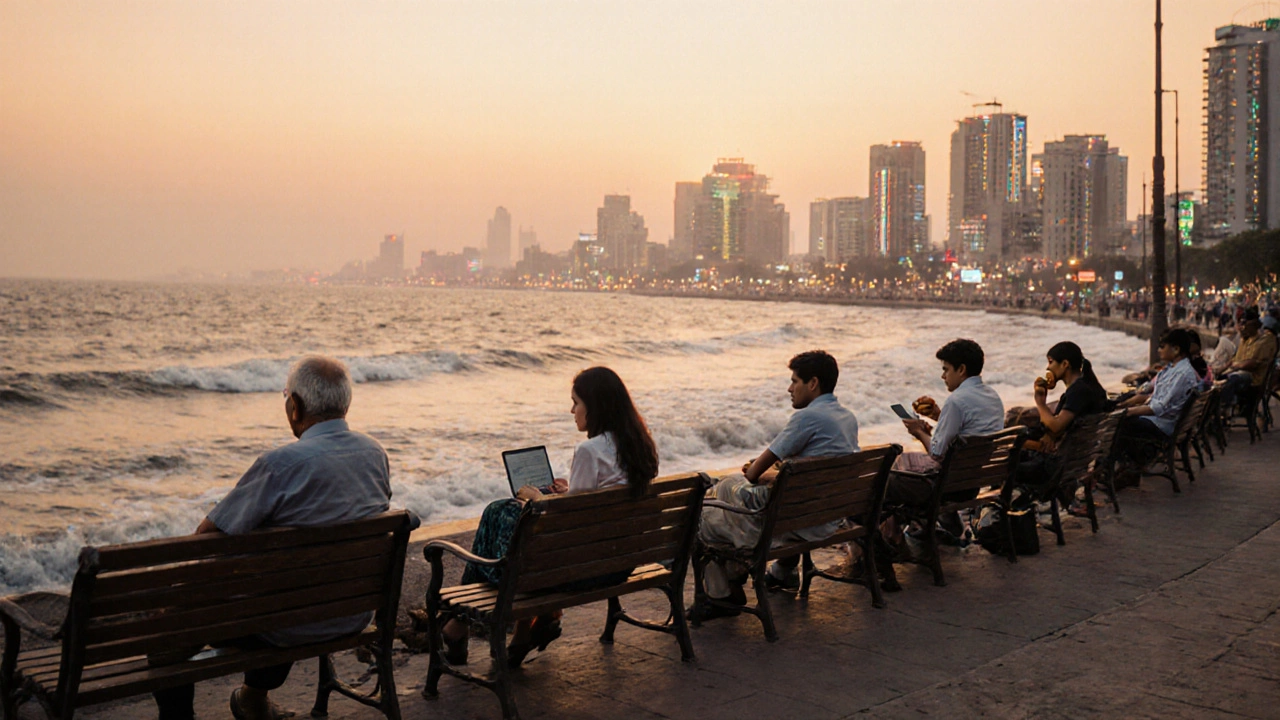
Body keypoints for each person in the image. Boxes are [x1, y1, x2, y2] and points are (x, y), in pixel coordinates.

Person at [153, 355, 394, 720]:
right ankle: (252, 701)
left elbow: (207, 536)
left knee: (164, 632)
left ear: (294, 406)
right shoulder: (375, 454)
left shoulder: (279, 465)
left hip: (288, 623)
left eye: (286, 396)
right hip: (350, 614)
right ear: (346, 404)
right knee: (281, 590)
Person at [440, 366, 659, 667]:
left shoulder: (589, 450)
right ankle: (498, 629)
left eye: (576, 402)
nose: (572, 410)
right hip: (618, 563)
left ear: (594, 406)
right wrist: (567, 495)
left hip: (580, 572)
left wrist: (538, 498)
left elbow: (569, 526)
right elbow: (587, 508)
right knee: (503, 513)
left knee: (499, 512)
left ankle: (457, 625)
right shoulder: (640, 445)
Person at [693, 350, 859, 619]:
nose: (789, 388)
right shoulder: (847, 417)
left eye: (795, 381)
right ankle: (765, 574)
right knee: (723, 496)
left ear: (813, 383)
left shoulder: (807, 418)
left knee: (703, 515)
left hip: (793, 525)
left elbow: (755, 472)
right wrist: (779, 473)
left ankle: (721, 594)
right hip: (824, 517)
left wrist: (765, 472)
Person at [883, 339, 1005, 508]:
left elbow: (937, 453)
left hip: (946, 486)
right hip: (972, 481)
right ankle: (931, 526)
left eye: (946, 370)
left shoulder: (956, 401)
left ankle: (890, 531)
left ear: (961, 369)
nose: (943, 376)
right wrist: (939, 417)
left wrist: (918, 432)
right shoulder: (992, 396)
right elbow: (971, 428)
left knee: (886, 477)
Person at [1015, 342, 1108, 503]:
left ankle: (1007, 512)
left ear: (1065, 364)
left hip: (1056, 469)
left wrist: (1040, 403)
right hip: (1072, 463)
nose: (1048, 368)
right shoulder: (1088, 387)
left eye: (1051, 362)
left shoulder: (1079, 391)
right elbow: (1058, 427)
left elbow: (1056, 426)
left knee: (1005, 462)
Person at [1116, 328, 1200, 468]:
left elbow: (1159, 407)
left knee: (1122, 423)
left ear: (1176, 349)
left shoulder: (1182, 374)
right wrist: (1126, 401)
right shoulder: (1172, 369)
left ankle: (1132, 467)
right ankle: (1129, 467)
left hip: (1164, 424)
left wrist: (1129, 411)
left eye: (1162, 347)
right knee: (1123, 412)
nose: (1158, 350)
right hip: (1162, 420)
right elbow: (1150, 388)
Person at [1219, 318, 1278, 412]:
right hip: (1243, 372)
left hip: (1254, 377)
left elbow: (1251, 364)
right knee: (1221, 378)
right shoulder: (1246, 340)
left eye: (1245, 326)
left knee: (1232, 380)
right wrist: (1222, 369)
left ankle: (1225, 408)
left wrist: (1236, 366)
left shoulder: (1264, 342)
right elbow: (1235, 360)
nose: (1242, 328)